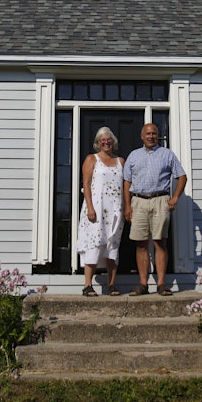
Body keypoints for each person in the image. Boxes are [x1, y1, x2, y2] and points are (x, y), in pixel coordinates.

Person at [122, 123, 187, 297]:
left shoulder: (167, 154)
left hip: (160, 200)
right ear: (142, 136)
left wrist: (174, 198)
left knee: (160, 242)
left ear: (158, 136)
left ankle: (161, 284)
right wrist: (127, 206)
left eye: (154, 134)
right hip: (139, 201)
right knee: (140, 243)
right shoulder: (134, 156)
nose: (151, 136)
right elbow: (126, 182)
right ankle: (143, 284)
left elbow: (182, 176)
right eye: (148, 134)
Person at [78, 127, 125, 297]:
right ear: (97, 143)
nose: (106, 142)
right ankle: (87, 285)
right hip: (96, 209)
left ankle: (111, 284)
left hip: (115, 210)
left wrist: (127, 208)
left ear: (113, 141)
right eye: (102, 140)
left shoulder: (121, 161)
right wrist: (90, 207)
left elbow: (126, 187)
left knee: (113, 245)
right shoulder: (92, 159)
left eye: (108, 139)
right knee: (94, 243)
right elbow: (86, 184)